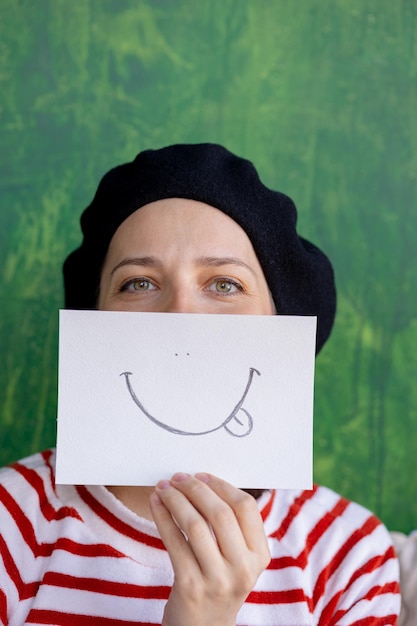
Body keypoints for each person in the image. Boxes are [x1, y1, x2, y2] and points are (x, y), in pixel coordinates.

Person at [0, 143, 400, 625]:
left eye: (225, 284)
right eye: (138, 283)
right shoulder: (10, 524)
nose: (181, 316)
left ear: (283, 325)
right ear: (94, 319)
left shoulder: (348, 558)